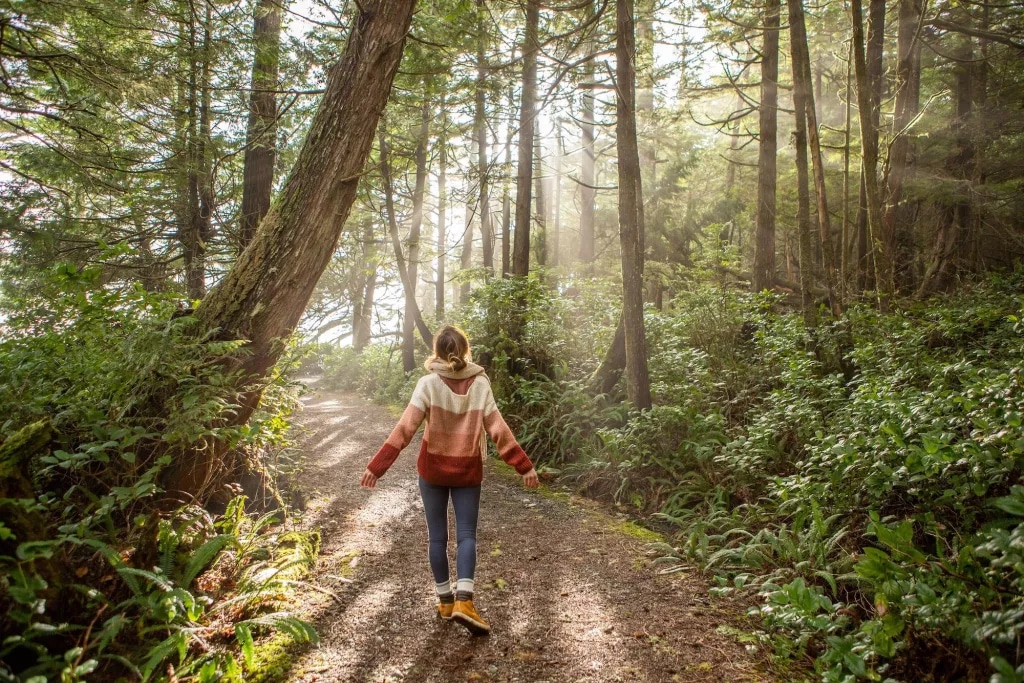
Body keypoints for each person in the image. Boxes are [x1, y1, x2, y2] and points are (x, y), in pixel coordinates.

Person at [360, 325, 539, 636]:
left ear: (437, 352)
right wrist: (524, 467)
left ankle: (445, 602)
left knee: (437, 538)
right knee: (467, 534)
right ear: (466, 350)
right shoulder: (481, 384)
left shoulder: (428, 384)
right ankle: (464, 601)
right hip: (468, 471)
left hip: (432, 472)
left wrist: (377, 467)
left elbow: (405, 429)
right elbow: (498, 430)